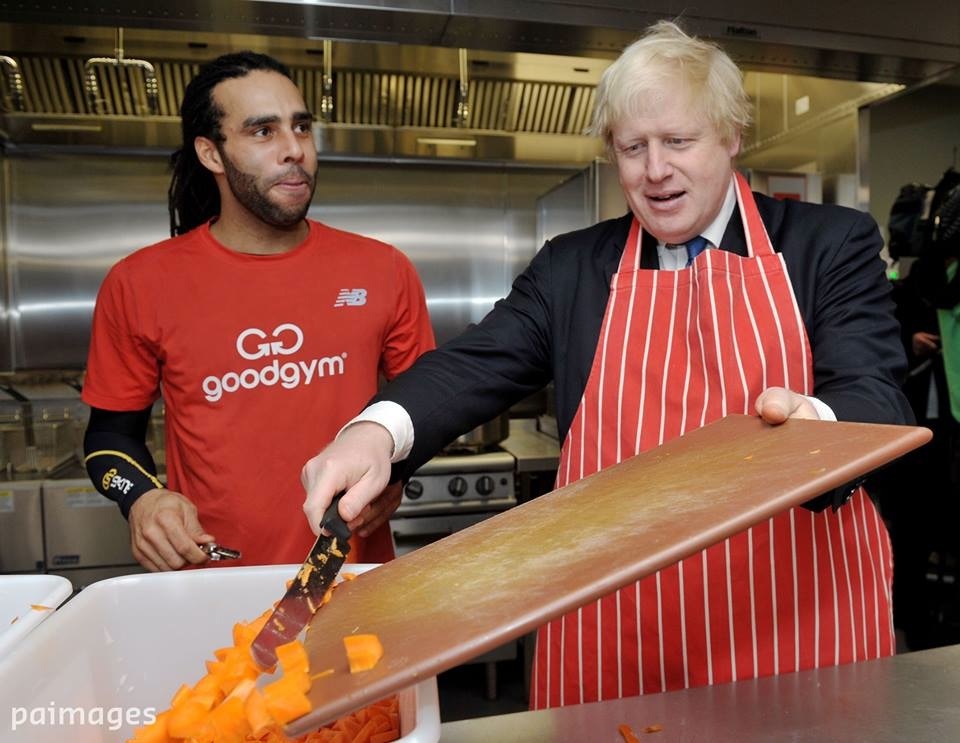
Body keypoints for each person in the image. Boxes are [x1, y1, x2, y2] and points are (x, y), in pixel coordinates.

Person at [300, 21, 913, 706]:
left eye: (679, 142)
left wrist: (818, 432)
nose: (655, 171)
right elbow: (475, 364)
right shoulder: (572, 266)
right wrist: (375, 432)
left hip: (794, 622)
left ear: (731, 137)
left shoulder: (827, 244)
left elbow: (875, 394)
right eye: (633, 147)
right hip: (617, 631)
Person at [81, 51, 435, 572]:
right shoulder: (139, 283)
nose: (295, 151)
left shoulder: (384, 269)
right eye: (263, 132)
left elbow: (427, 407)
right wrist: (142, 498)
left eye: (302, 127)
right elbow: (108, 437)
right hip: (210, 581)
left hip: (350, 576)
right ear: (211, 153)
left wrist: (398, 474)